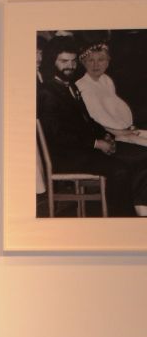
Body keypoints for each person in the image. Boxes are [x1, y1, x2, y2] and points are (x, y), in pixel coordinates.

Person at [39, 38, 147, 216]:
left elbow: (87, 121)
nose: (70, 66)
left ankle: (141, 208)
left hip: (84, 149)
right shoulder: (47, 92)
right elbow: (57, 135)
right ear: (52, 61)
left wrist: (105, 136)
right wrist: (96, 143)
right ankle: (120, 218)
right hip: (67, 156)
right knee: (119, 169)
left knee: (142, 155)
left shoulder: (69, 86)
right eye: (64, 61)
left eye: (73, 61)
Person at [75, 42, 147, 146]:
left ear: (107, 62)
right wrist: (121, 132)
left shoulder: (106, 79)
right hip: (105, 135)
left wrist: (127, 127)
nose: (96, 65)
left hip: (122, 128)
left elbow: (115, 106)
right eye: (91, 60)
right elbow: (93, 120)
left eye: (101, 60)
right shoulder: (81, 86)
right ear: (84, 63)